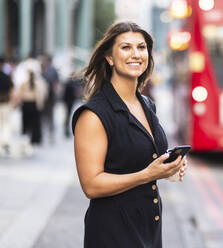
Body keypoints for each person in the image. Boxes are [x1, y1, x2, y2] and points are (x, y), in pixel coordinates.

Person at [72, 22, 188, 248]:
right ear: (110, 58)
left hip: (149, 227)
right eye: (126, 47)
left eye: (141, 47)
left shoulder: (146, 104)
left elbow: (141, 155)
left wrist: (168, 166)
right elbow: (91, 185)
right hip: (112, 232)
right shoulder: (94, 115)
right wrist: (147, 174)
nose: (136, 54)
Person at [41, 55, 59, 143]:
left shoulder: (43, 70)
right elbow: (56, 85)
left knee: (43, 117)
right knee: (51, 117)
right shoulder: (54, 70)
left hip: (44, 97)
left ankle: (42, 135)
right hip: (51, 97)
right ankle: (51, 136)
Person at [0, 56, 14, 153]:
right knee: (6, 124)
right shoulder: (6, 77)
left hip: (5, 103)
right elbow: (11, 90)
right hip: (5, 103)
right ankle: (5, 142)